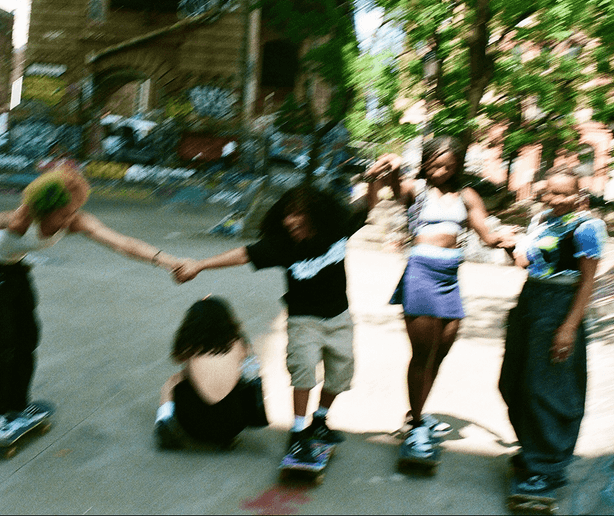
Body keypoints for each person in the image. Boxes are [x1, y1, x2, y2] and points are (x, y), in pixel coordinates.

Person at [0, 166, 181, 440]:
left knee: (28, 337)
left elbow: (123, 244)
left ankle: (17, 404)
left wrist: (167, 261)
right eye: (63, 213)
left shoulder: (76, 220)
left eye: (74, 211)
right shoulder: (18, 221)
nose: (70, 219)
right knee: (1, 342)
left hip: (14, 267)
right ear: (43, 210)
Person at [174, 183, 368, 463]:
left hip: (340, 318)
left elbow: (368, 205)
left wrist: (380, 181)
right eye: (287, 216)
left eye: (297, 215)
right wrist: (200, 265)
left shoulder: (338, 228)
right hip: (304, 320)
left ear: (316, 214)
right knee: (303, 370)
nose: (290, 222)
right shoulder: (281, 244)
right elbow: (243, 254)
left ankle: (320, 421)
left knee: (341, 372)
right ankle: (299, 433)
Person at [363, 135, 515, 461]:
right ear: (426, 162)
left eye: (448, 165)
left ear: (458, 166)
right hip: (420, 274)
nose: (440, 170)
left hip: (450, 279)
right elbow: (380, 194)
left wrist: (511, 241)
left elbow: (487, 236)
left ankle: (417, 413)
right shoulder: (414, 189)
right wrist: (385, 167)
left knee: (441, 349)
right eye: (434, 164)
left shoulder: (467, 195)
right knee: (422, 354)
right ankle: (417, 425)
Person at [499, 165, 607, 496]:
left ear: (579, 195)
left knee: (548, 389)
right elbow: (528, 262)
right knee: (513, 381)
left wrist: (569, 327)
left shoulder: (588, 227)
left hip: (561, 306)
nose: (555, 199)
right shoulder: (541, 220)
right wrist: (509, 245)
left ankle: (547, 467)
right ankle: (533, 449)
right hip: (530, 301)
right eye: (550, 192)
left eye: (564, 193)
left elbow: (589, 281)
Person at [155, 296, 267, 450]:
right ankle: (225, 435)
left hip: (193, 427)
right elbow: (251, 371)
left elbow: (177, 359)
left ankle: (164, 419)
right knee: (240, 380)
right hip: (233, 424)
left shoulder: (190, 345)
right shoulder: (239, 343)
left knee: (173, 381)